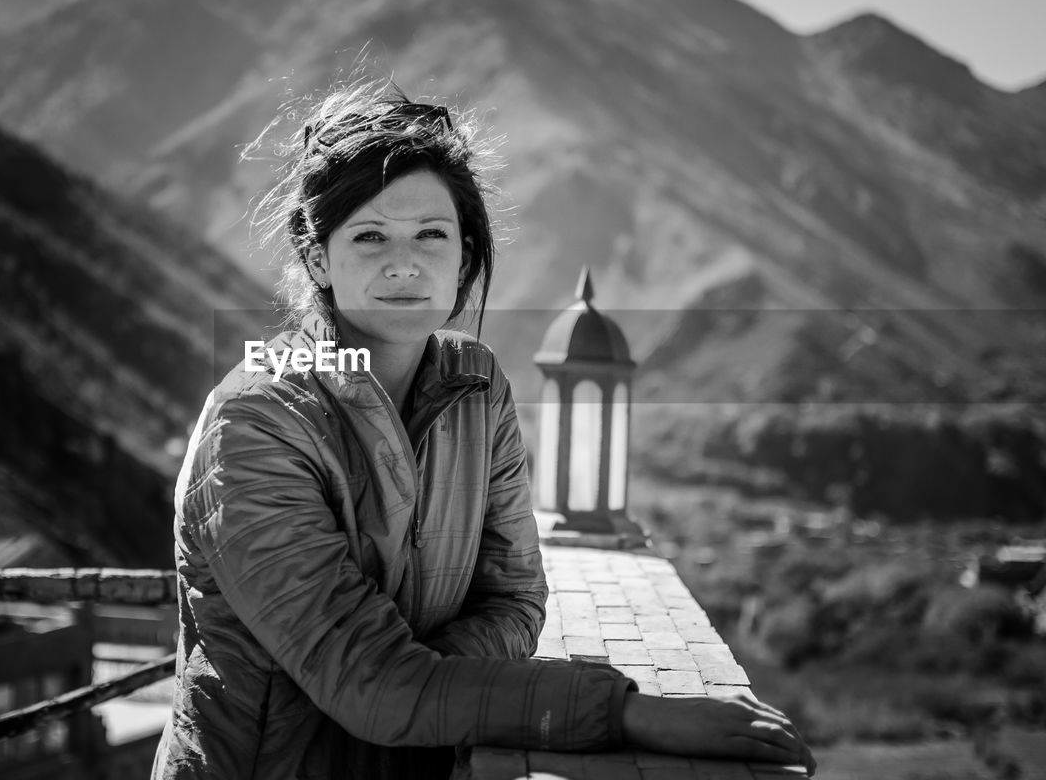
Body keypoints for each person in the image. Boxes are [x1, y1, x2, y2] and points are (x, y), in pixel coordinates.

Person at [151, 80, 816, 779]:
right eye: (369, 235)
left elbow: (516, 601)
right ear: (318, 258)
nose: (404, 263)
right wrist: (620, 713)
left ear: (464, 257)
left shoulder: (475, 386)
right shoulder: (259, 423)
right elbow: (372, 684)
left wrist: (417, 688)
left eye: (431, 236)